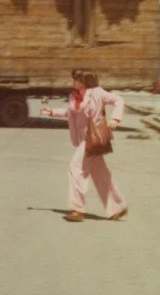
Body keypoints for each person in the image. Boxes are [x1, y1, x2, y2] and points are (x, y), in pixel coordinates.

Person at [41, 69, 128, 222]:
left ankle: (77, 209)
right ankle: (117, 207)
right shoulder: (74, 96)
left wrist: (115, 119)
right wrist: (51, 112)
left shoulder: (97, 93)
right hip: (84, 139)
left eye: (77, 79)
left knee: (75, 168)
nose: (73, 82)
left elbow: (118, 100)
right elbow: (70, 112)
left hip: (93, 137)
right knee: (100, 173)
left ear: (85, 81)